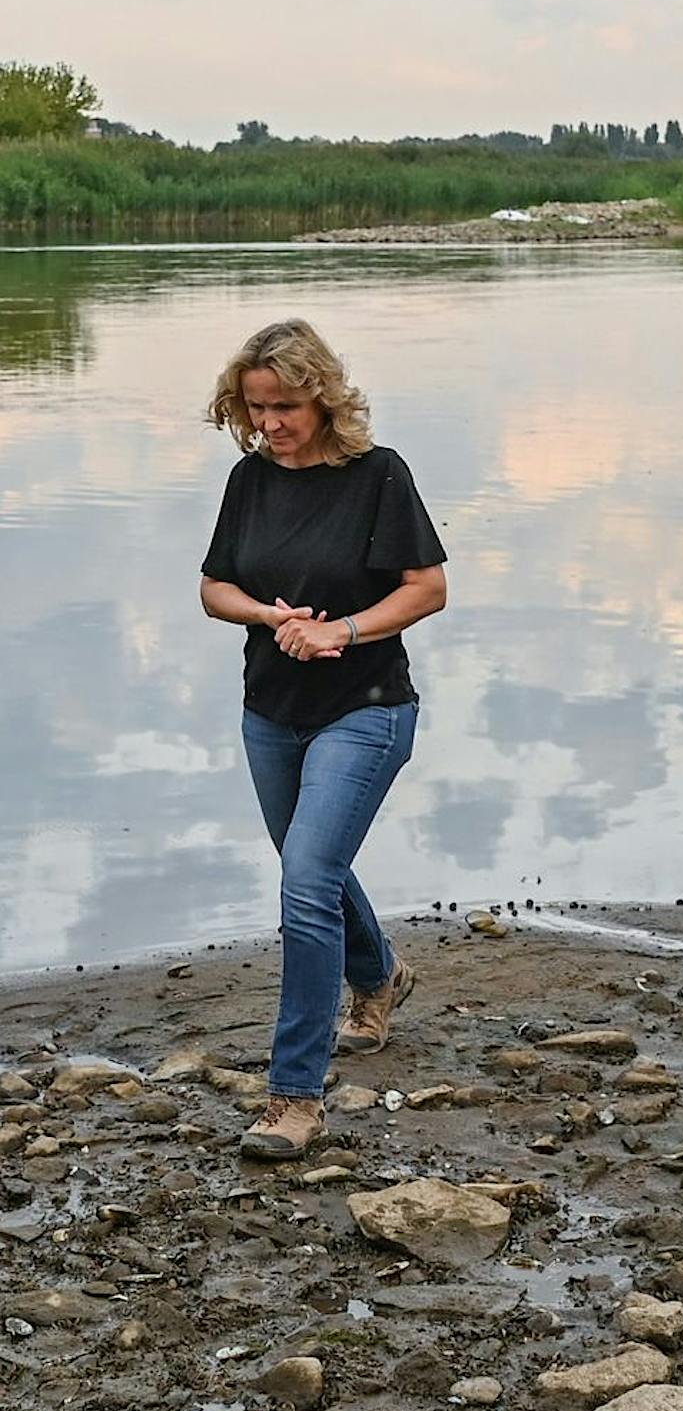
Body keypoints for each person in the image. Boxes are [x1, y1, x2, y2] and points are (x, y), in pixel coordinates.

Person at [200, 319, 447, 1161]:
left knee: (306, 882)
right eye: (255, 407)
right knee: (314, 869)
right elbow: (213, 587)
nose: (269, 423)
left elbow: (427, 590)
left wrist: (343, 629)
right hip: (269, 711)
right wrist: (268, 614)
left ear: (323, 397)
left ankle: (293, 1097)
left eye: (285, 407)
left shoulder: (379, 477)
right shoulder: (249, 481)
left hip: (367, 707)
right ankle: (379, 975)